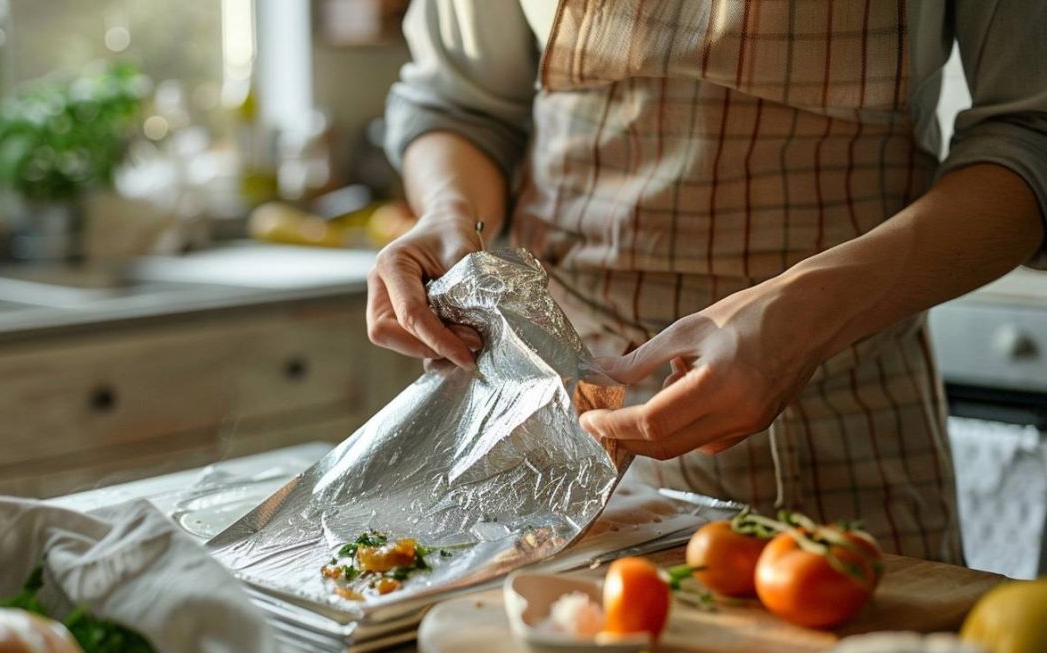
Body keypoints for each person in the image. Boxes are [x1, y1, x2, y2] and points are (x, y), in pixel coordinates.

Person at [368, 0, 1047, 563]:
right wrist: (451, 219)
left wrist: (805, 312)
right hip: (545, 433)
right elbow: (462, 108)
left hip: (848, 430)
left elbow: (1031, 137)